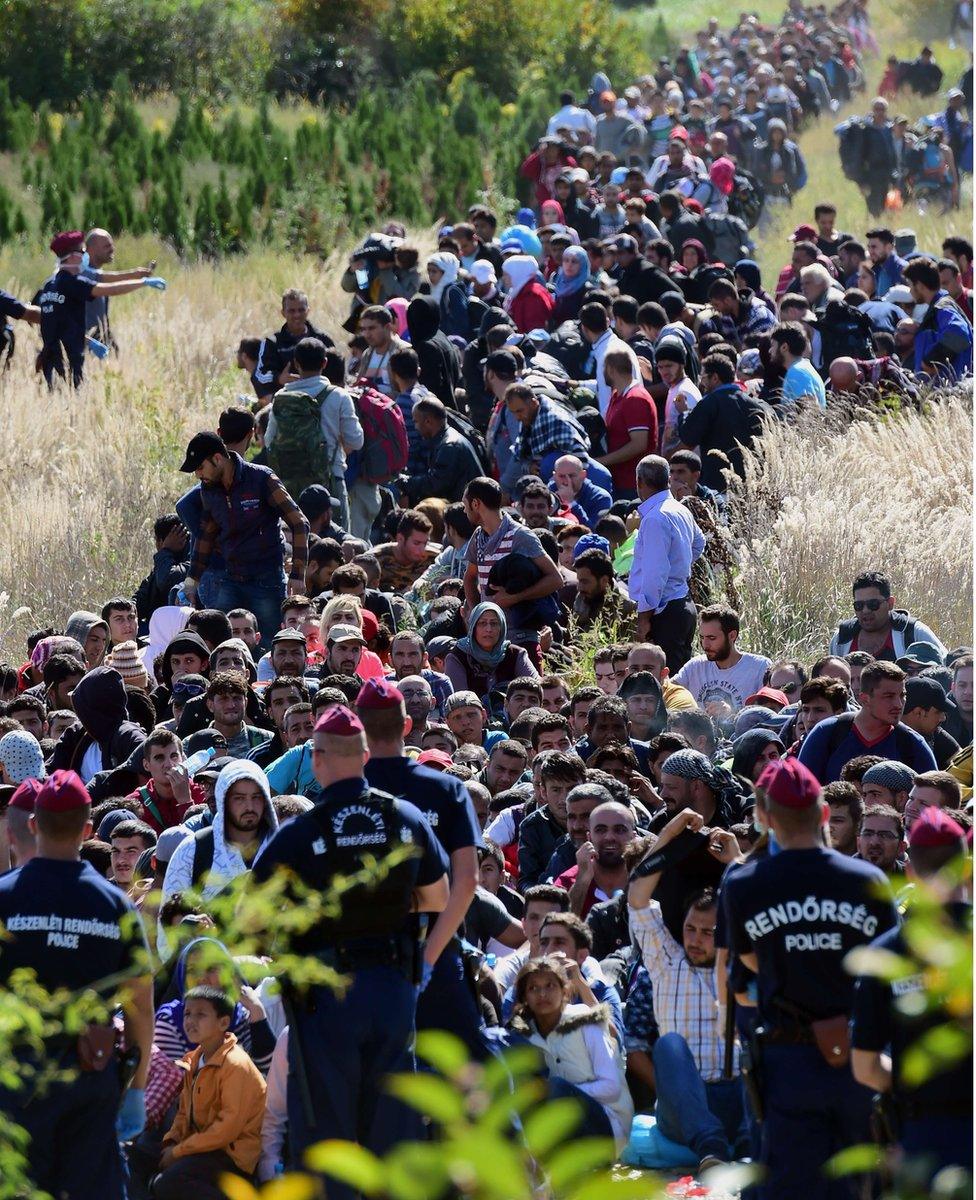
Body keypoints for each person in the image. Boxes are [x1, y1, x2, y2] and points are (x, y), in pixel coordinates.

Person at [251, 706, 449, 1194]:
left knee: (327, 1131)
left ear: (317, 759)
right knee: (393, 1125)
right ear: (364, 755)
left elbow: (252, 919)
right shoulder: (405, 819)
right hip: (391, 988)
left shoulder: (299, 833)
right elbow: (437, 899)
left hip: (324, 998)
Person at [722, 758, 900, 1200]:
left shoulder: (744, 883)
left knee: (789, 1184)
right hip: (859, 1057)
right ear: (824, 815)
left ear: (764, 818)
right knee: (858, 1180)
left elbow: (744, 970)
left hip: (787, 1059)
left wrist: (795, 960)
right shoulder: (868, 879)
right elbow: (891, 972)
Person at [0, 770, 153, 1200]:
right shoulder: (115, 906)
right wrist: (136, 1089)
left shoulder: (4, 898)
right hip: (91, 1075)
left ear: (33, 824)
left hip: (16, 1080)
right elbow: (141, 1006)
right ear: (88, 830)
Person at [354, 678, 485, 1055]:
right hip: (437, 952)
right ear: (407, 726)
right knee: (470, 1080)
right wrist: (428, 961)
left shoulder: (346, 796)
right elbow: (467, 881)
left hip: (369, 963)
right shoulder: (446, 788)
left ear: (360, 729)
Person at [851, 807, 972, 1180]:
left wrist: (910, 1081)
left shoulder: (886, 955)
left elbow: (865, 1066)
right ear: (965, 868)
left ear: (909, 869)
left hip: (922, 1131)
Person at [629, 808, 745, 1172]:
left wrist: (737, 860)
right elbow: (638, 893)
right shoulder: (667, 961)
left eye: (708, 932)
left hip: (735, 1097)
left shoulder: (743, 964)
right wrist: (673, 829)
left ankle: (742, 1144)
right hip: (683, 1109)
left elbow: (764, 906)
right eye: (691, 928)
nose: (695, 939)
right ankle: (711, 1149)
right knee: (668, 1045)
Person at [179, 432, 310, 652]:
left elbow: (299, 523)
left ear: (217, 459)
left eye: (200, 467)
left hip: (267, 581)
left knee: (271, 644)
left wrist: (297, 574)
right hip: (231, 579)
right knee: (221, 645)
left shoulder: (261, 479)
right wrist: (192, 580)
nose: (197, 475)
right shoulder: (208, 491)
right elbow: (206, 535)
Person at [153, 986, 267, 1199]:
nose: (190, 1020)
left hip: (230, 1157)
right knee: (134, 1157)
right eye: (187, 1013)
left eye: (200, 1014)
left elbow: (226, 1130)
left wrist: (178, 1152)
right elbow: (183, 1113)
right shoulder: (194, 1059)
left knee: (168, 1183)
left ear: (223, 1023)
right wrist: (171, 1143)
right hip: (200, 1149)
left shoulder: (236, 1064)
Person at [509, 956, 633, 1148]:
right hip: (560, 1124)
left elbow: (611, 1087)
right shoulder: (523, 1036)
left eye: (550, 986)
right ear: (524, 997)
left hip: (607, 1123)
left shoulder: (586, 1022)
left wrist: (557, 1093)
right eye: (533, 988)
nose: (542, 994)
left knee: (555, 1087)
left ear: (564, 990)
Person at [37, 229, 163, 387]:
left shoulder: (50, 285)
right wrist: (143, 283)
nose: (85, 256)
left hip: (53, 359)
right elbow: (108, 289)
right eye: (83, 251)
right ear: (73, 256)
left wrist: (88, 341)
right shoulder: (73, 283)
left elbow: (60, 326)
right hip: (70, 359)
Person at [264, 337, 363, 527]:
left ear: (295, 364)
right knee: (337, 542)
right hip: (330, 480)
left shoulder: (281, 397)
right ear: (324, 363)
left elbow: (269, 441)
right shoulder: (339, 396)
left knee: (295, 540)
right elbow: (356, 441)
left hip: (290, 484)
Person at [799, 660, 937, 785]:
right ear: (864, 699)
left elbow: (932, 803)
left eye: (902, 695)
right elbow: (800, 791)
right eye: (889, 696)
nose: (898, 704)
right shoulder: (828, 733)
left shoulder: (912, 744)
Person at [162, 759, 279, 905]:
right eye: (239, 798)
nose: (249, 806)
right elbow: (170, 918)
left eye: (256, 797)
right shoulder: (193, 850)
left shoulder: (287, 849)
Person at [628, 455, 705, 673]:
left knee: (666, 683)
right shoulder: (679, 509)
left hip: (664, 611)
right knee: (678, 677)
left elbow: (654, 576)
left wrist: (644, 619)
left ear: (639, 482)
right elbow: (700, 543)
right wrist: (680, 564)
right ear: (668, 479)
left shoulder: (654, 518)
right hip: (681, 604)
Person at [675, 604, 770, 716]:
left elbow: (770, 712)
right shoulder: (695, 666)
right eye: (701, 637)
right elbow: (668, 691)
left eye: (712, 638)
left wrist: (732, 714)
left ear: (732, 636)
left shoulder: (759, 667)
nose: (705, 645)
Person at [829, 571, 946, 661]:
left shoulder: (913, 632)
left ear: (890, 603)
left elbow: (948, 666)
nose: (865, 610)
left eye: (873, 604)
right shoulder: (841, 638)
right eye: (859, 605)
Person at [444, 602, 539, 709]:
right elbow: (460, 702)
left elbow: (536, 688)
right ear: (473, 627)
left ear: (502, 627)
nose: (488, 629)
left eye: (494, 623)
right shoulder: (457, 657)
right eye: (482, 623)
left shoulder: (516, 654)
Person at [252, 288, 335, 400]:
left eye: (301, 310)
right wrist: (279, 378)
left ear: (308, 311)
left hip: (321, 399)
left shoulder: (322, 340)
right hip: (287, 403)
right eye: (291, 311)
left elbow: (337, 370)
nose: (297, 315)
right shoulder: (272, 343)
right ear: (283, 313)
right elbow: (259, 375)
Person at [597, 349, 658, 500]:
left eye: (603, 368)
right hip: (621, 481)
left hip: (634, 485)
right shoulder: (618, 395)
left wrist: (601, 462)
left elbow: (639, 444)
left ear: (610, 369)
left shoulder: (635, 398)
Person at [401, 395, 483, 505]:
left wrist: (405, 482)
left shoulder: (449, 446)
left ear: (428, 422)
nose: (415, 427)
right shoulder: (446, 439)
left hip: (468, 511)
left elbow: (436, 484)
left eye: (416, 422)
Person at [903, 257, 973, 382]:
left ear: (919, 285)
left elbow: (959, 332)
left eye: (910, 284)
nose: (910, 290)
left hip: (951, 393)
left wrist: (930, 362)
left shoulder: (942, 307)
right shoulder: (937, 308)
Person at [771, 320, 826, 408]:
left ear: (784, 347)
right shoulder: (802, 367)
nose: (770, 351)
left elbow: (810, 408)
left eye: (773, 345)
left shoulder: (797, 371)